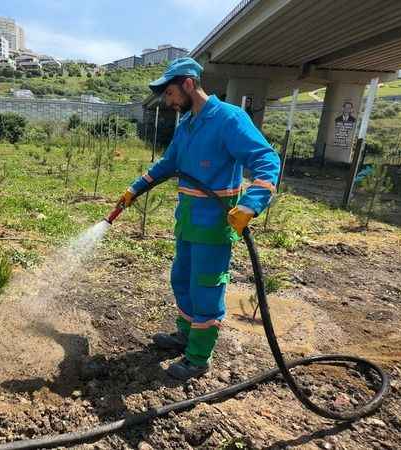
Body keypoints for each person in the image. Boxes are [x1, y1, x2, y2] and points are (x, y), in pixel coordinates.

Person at [116, 58, 281, 380]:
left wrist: (250, 205)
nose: (168, 101)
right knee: (182, 280)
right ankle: (185, 336)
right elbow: (169, 163)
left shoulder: (230, 119)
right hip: (188, 221)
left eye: (170, 93)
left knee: (206, 288)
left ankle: (198, 358)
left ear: (189, 84)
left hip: (216, 224)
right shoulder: (188, 125)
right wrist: (134, 190)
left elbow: (266, 158)